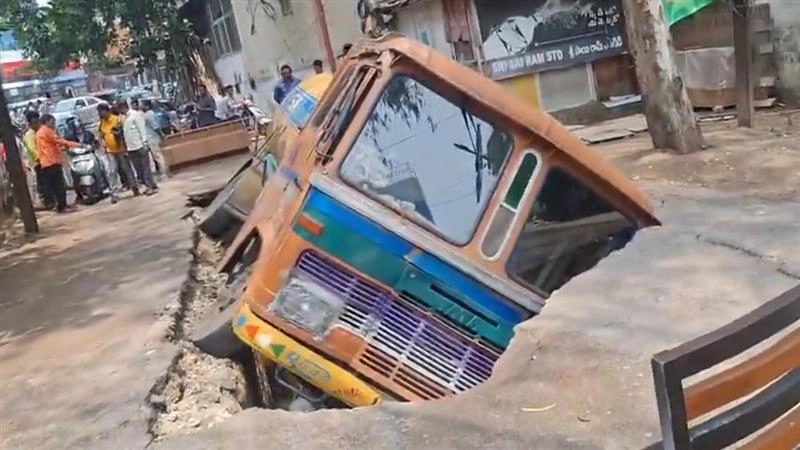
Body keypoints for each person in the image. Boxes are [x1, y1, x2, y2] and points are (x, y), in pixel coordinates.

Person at [36, 114, 80, 213]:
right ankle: (62, 206)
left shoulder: (40, 132)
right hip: (52, 161)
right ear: (47, 121)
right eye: (52, 122)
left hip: (46, 162)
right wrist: (77, 145)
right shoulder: (47, 131)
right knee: (59, 185)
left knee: (54, 186)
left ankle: (60, 205)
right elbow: (59, 140)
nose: (54, 124)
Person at [98, 103, 139, 202]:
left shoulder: (117, 119)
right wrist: (102, 144)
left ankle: (134, 187)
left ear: (107, 111)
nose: (101, 114)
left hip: (121, 149)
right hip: (110, 151)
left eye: (102, 112)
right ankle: (114, 193)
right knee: (112, 171)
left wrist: (125, 146)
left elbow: (124, 133)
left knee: (127, 169)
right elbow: (100, 135)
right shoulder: (101, 123)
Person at [118, 101, 158, 195]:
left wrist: (144, 143)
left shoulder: (135, 115)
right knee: (139, 169)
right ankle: (151, 185)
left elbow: (142, 129)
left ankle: (150, 186)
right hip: (131, 148)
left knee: (145, 168)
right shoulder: (124, 118)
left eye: (120, 109)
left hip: (140, 145)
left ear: (123, 107)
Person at [22, 111, 50, 209]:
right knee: (43, 182)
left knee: (46, 182)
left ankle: (49, 200)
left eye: (38, 121)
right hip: (38, 162)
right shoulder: (29, 135)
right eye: (35, 122)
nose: (37, 124)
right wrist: (40, 159)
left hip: (44, 160)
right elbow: (32, 149)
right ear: (30, 123)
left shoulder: (39, 132)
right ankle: (47, 202)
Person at [141, 99, 169, 178]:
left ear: (147, 106)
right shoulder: (148, 114)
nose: (140, 106)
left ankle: (164, 172)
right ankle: (163, 171)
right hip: (152, 137)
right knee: (157, 156)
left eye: (141, 104)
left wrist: (161, 134)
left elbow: (155, 126)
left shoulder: (148, 114)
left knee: (158, 156)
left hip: (152, 138)